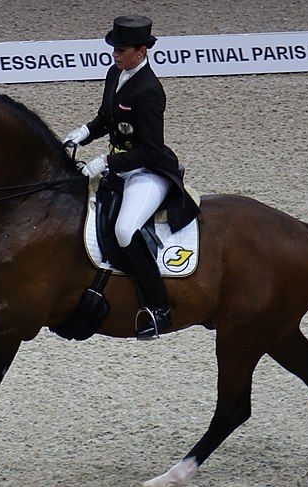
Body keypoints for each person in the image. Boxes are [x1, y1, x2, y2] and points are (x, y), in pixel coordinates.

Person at [63, 14, 200, 340]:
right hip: (119, 165)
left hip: (147, 171)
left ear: (142, 51)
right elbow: (105, 118)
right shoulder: (116, 74)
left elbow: (152, 150)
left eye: (122, 50)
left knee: (126, 229)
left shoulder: (150, 91)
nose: (116, 55)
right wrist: (84, 132)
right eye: (115, 49)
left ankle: (159, 307)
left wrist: (105, 161)